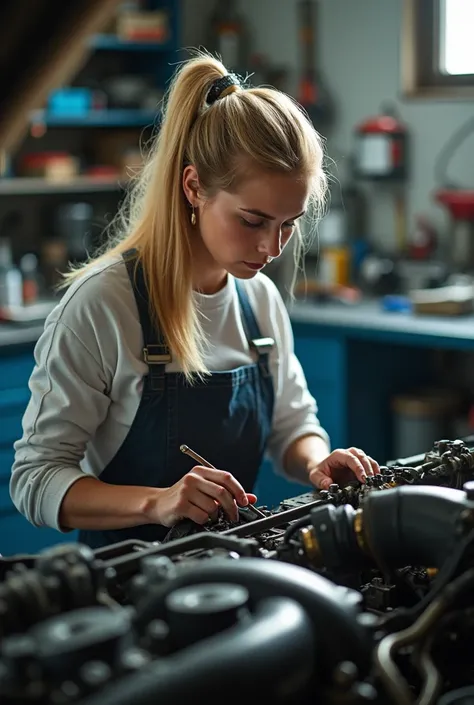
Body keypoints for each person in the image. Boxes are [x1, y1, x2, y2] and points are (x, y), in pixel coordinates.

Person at [10, 53, 379, 550]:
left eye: (288, 224)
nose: (271, 249)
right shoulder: (104, 305)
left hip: (231, 571)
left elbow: (294, 427)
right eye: (252, 221)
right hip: (128, 590)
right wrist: (156, 502)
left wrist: (316, 461)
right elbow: (33, 480)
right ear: (194, 187)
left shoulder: (258, 301)